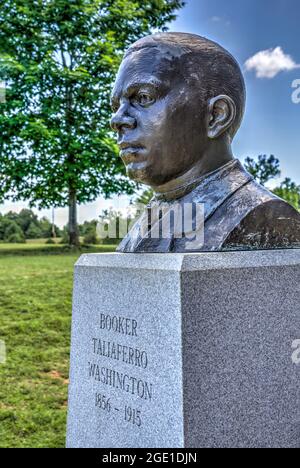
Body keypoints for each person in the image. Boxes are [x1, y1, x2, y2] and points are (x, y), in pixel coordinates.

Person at [110, 32, 300, 252]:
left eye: (144, 97)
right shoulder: (150, 221)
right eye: (116, 107)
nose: (117, 120)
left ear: (216, 116)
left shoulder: (266, 217)